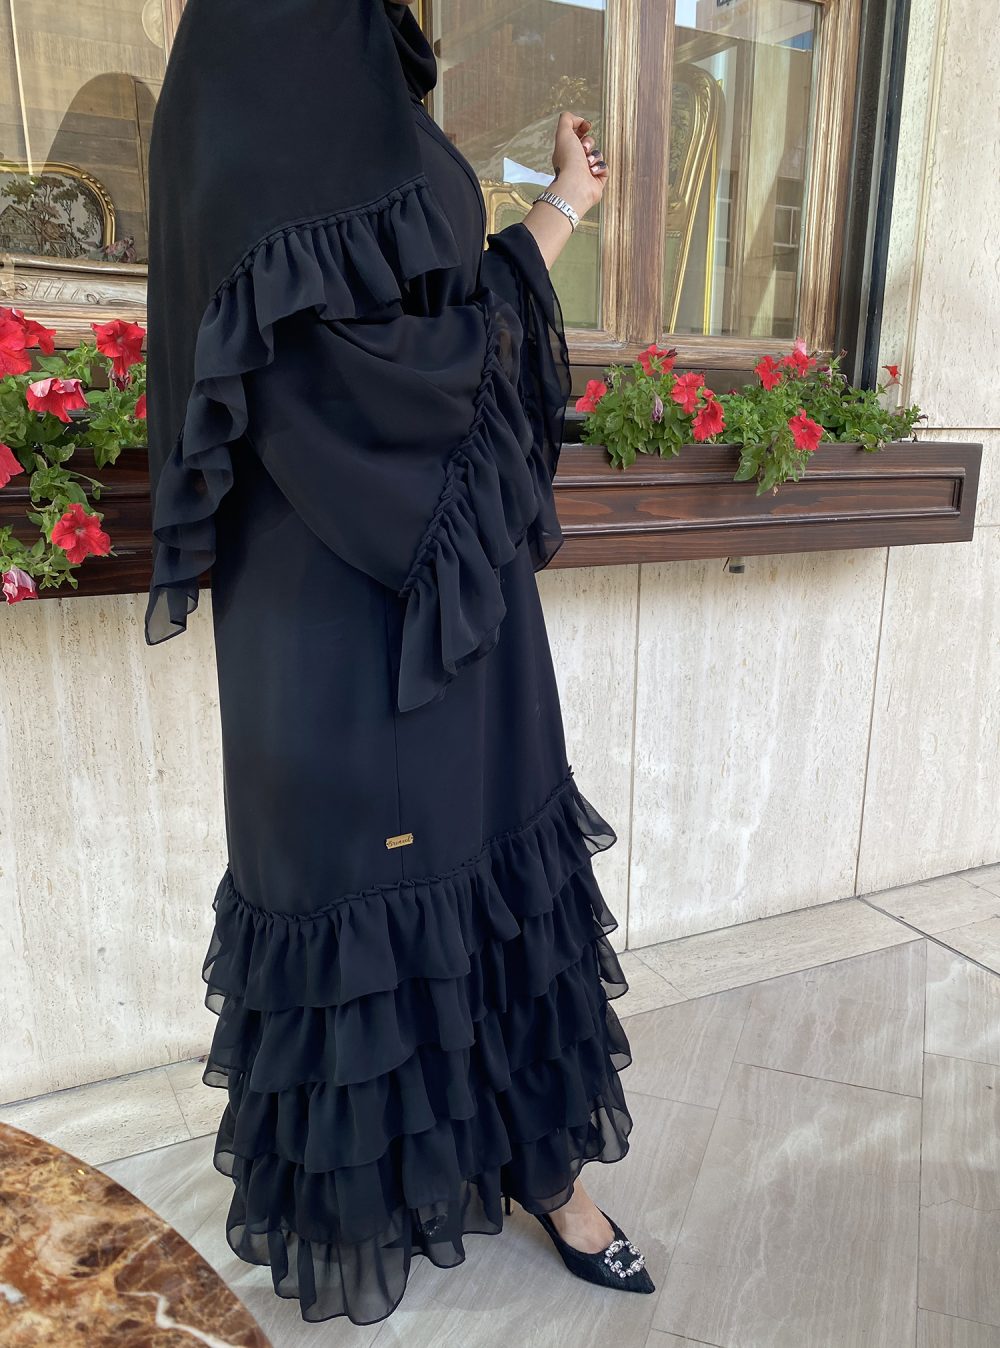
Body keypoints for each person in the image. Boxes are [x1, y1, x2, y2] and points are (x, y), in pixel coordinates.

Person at [143, 0, 651, 1326]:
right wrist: (494, 321)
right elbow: (322, 361)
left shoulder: (361, 56)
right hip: (329, 585)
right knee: (358, 887)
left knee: (491, 851)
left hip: (451, 575)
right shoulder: (259, 43)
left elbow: (424, 310)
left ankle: (547, 1171)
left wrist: (560, 210)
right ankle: (372, 1201)